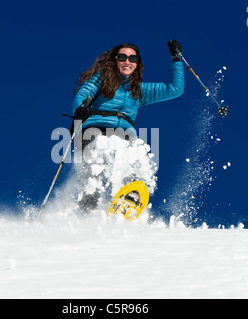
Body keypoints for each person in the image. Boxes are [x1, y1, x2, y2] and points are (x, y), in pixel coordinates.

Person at [71, 40, 185, 210]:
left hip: (124, 135)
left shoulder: (138, 91)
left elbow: (175, 89)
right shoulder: (102, 80)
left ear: (137, 64)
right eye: (123, 57)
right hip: (95, 130)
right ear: (115, 60)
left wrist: (177, 59)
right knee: (97, 167)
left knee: (133, 159)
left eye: (132, 59)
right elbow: (84, 93)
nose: (127, 62)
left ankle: (129, 196)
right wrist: (79, 109)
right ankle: (87, 209)